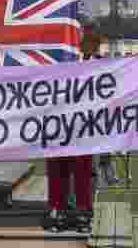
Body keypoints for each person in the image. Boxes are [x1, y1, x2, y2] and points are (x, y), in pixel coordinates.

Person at [42, 21, 101, 234]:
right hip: (58, 125)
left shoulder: (102, 65)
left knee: (83, 172)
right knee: (58, 171)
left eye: (91, 42)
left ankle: (83, 213)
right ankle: (58, 211)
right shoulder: (58, 61)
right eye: (84, 40)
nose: (88, 46)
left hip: (84, 127)